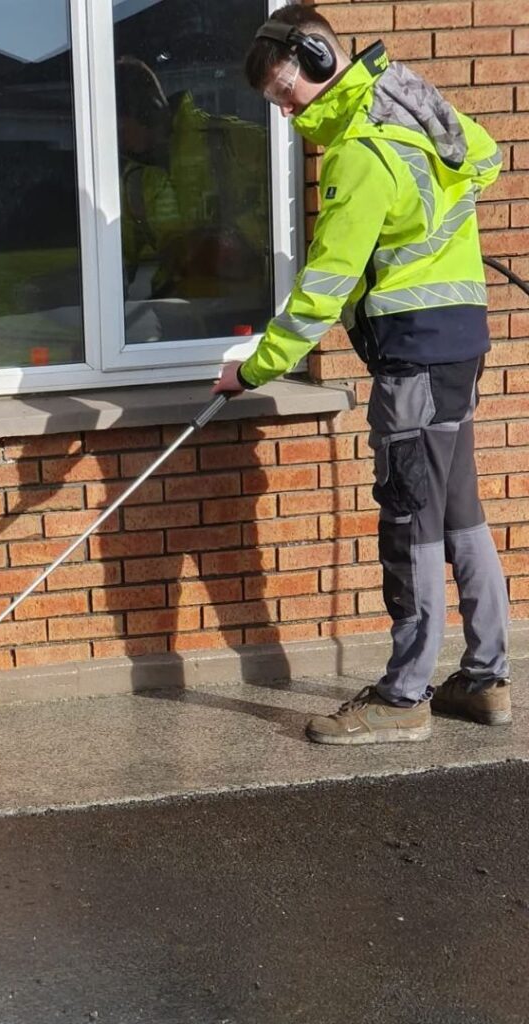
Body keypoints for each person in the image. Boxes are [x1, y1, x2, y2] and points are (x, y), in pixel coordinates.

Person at [213, 3, 510, 745]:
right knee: (461, 515)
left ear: (318, 61)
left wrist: (253, 370)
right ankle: (484, 679)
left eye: (286, 94)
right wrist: (431, 230)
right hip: (460, 345)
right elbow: (485, 157)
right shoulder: (414, 109)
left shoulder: (358, 150)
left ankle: (405, 700)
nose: (286, 114)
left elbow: (324, 287)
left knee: (410, 523)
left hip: (413, 356)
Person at [115, 56, 266, 303]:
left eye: (121, 129)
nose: (117, 140)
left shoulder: (229, 140)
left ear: (146, 110)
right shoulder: (135, 179)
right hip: (176, 314)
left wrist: (237, 236)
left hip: (244, 306)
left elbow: (288, 199)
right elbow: (119, 256)